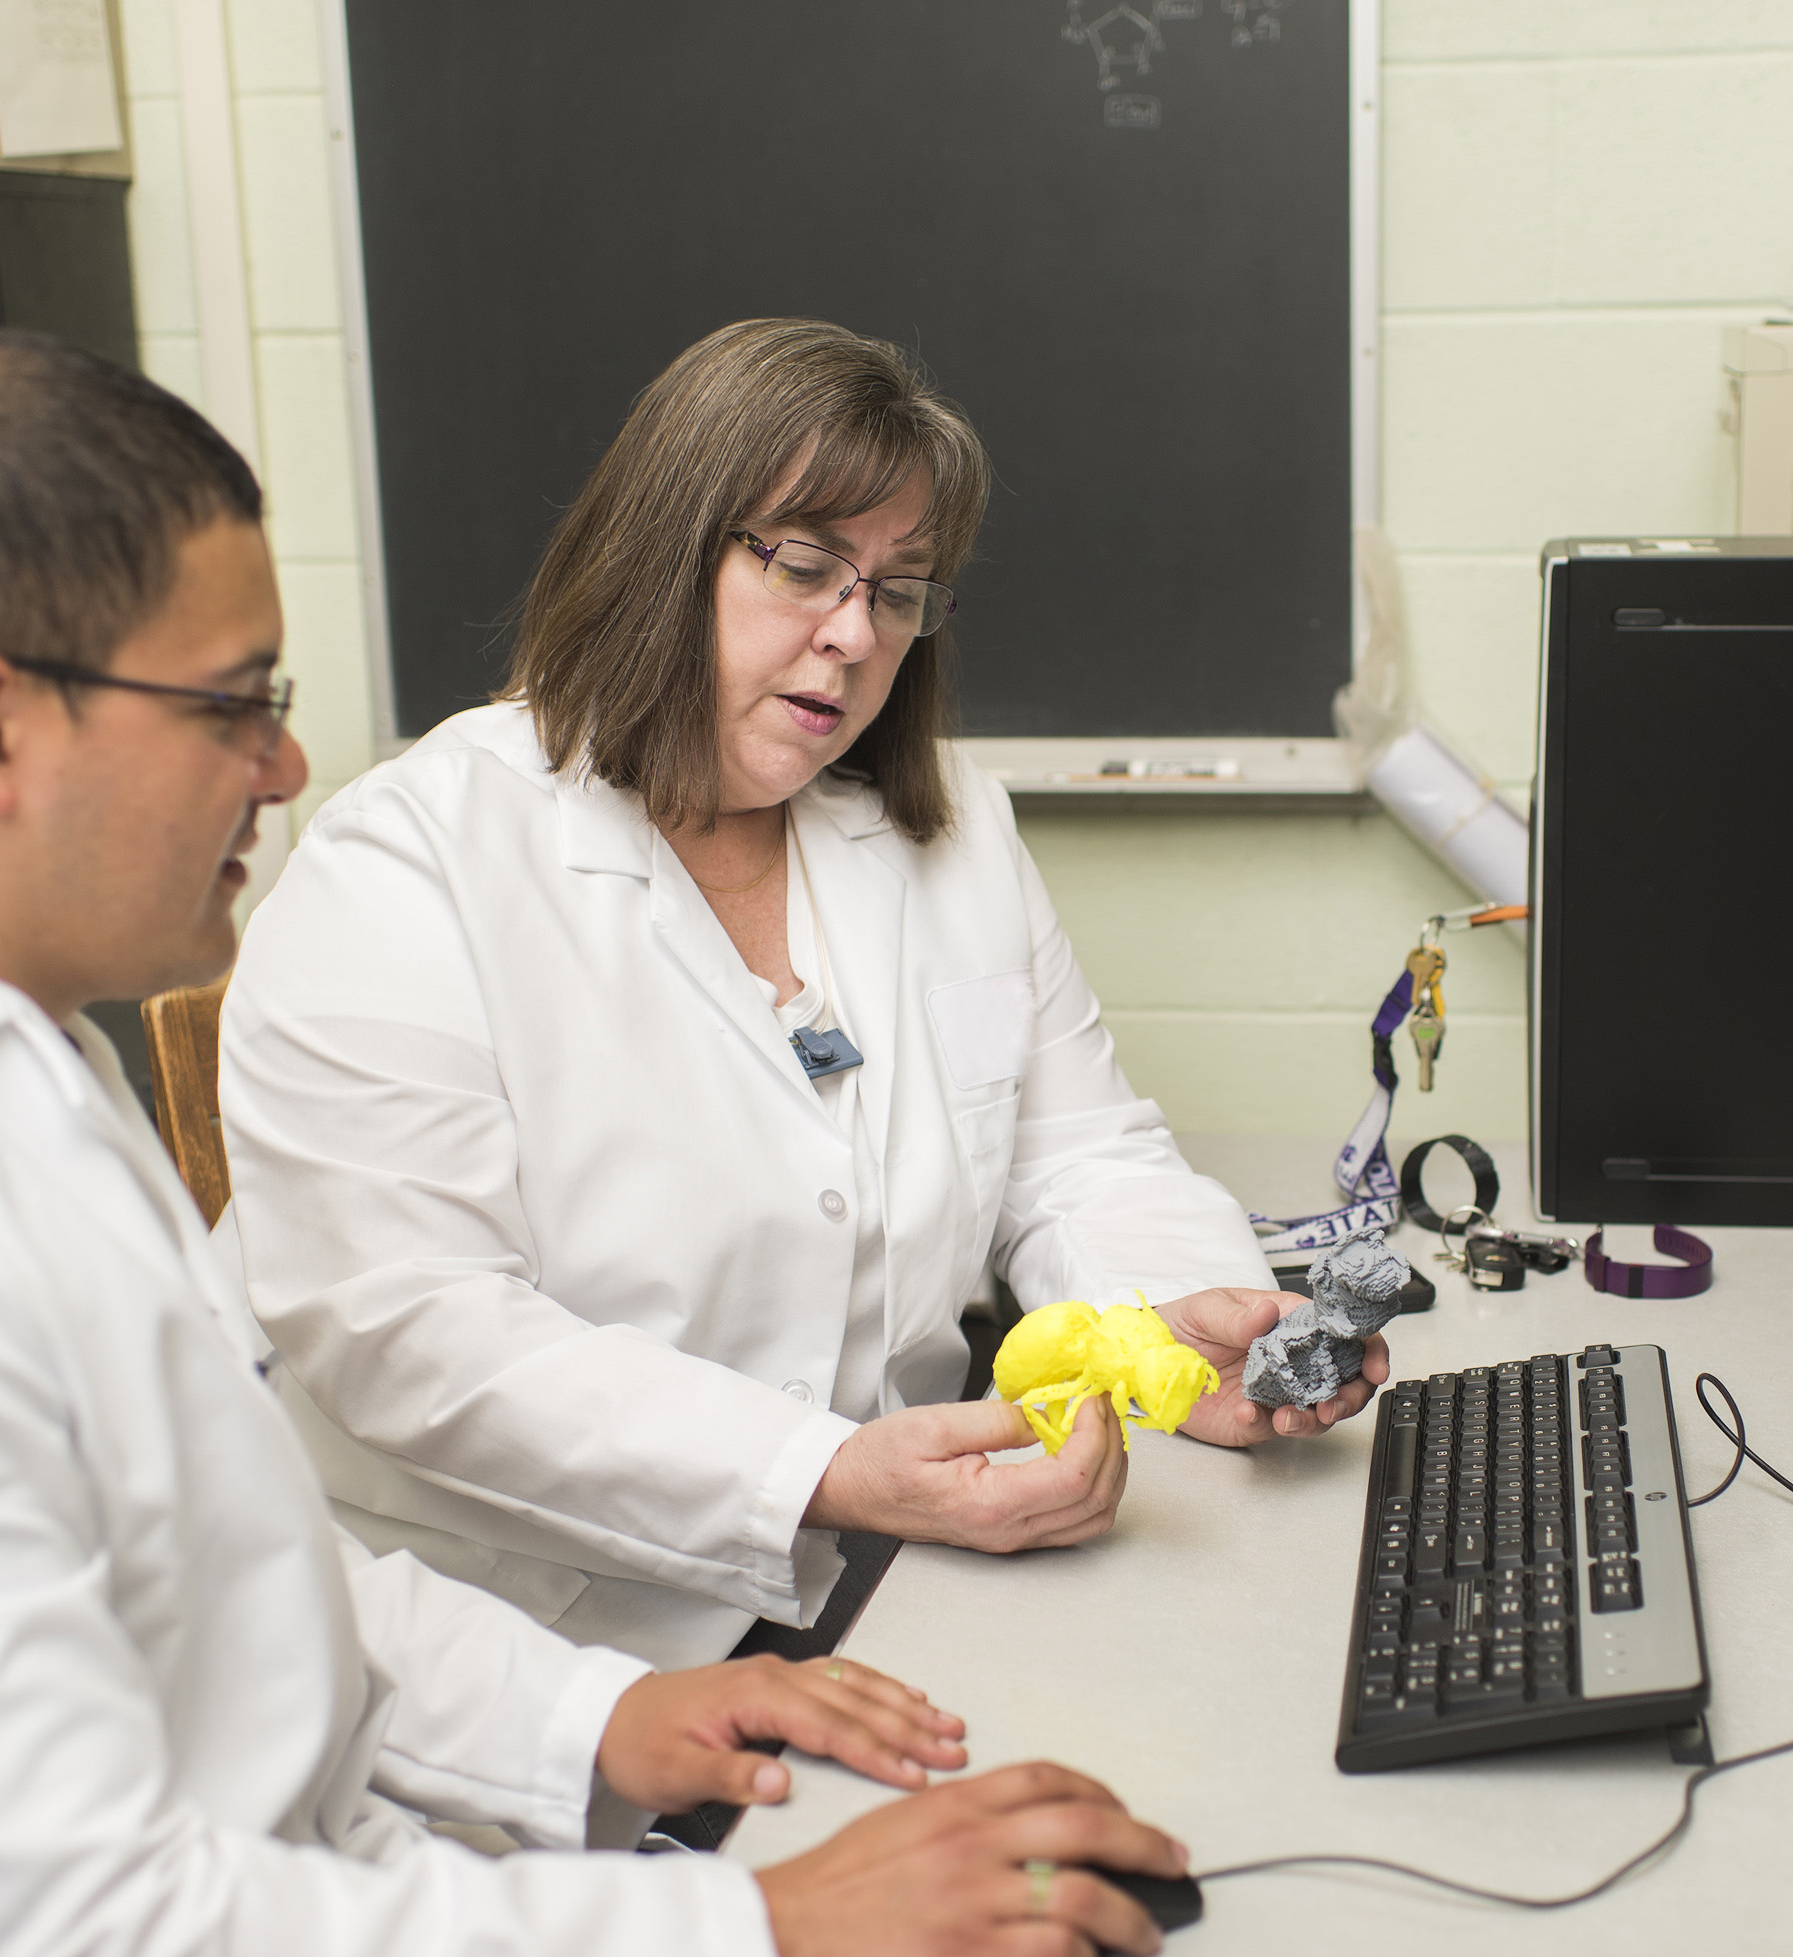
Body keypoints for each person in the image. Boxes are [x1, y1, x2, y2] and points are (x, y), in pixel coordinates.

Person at [0, 332, 1191, 1957]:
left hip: (481, 1797)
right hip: (312, 1944)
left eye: (894, 589)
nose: (283, 767)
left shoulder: (24, 1055)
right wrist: (758, 1948)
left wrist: (588, 1728)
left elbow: (238, 1565)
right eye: (232, 702)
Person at [219, 317, 1390, 1672]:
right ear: (664, 545)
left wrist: (1191, 1343)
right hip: (517, 1645)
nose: (851, 633)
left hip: (881, 1589)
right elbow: (414, 1329)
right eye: (803, 566)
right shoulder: (413, 860)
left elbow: (1076, 1160)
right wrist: (820, 1472)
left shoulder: (951, 841)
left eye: (899, 589)